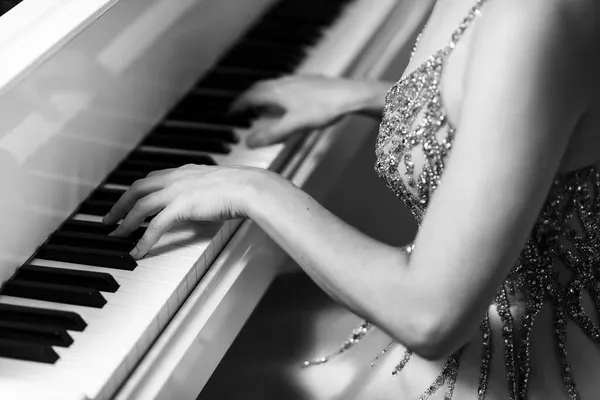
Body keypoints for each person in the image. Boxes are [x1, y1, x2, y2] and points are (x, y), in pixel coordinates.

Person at [103, 0, 600, 398]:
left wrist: (252, 187)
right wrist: (369, 95)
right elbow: (519, 115)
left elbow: (429, 317)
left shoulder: (534, 17)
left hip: (525, 365)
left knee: (186, 373)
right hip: (481, 324)